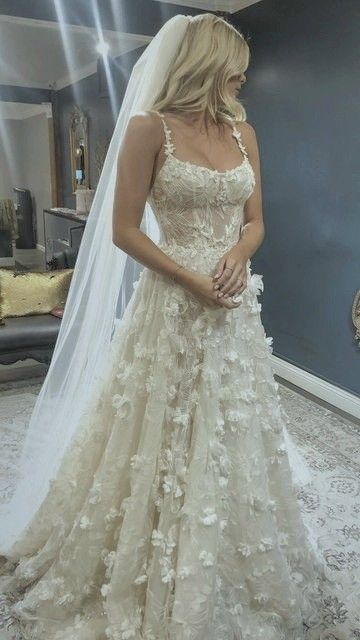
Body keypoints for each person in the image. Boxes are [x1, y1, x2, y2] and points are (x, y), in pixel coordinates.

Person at [0, 12, 336, 640]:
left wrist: (238, 255)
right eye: (236, 66)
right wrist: (188, 276)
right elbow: (123, 229)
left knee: (230, 427)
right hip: (173, 303)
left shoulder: (245, 135)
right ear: (207, 63)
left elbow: (256, 219)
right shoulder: (147, 128)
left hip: (233, 309)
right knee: (159, 423)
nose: (244, 78)